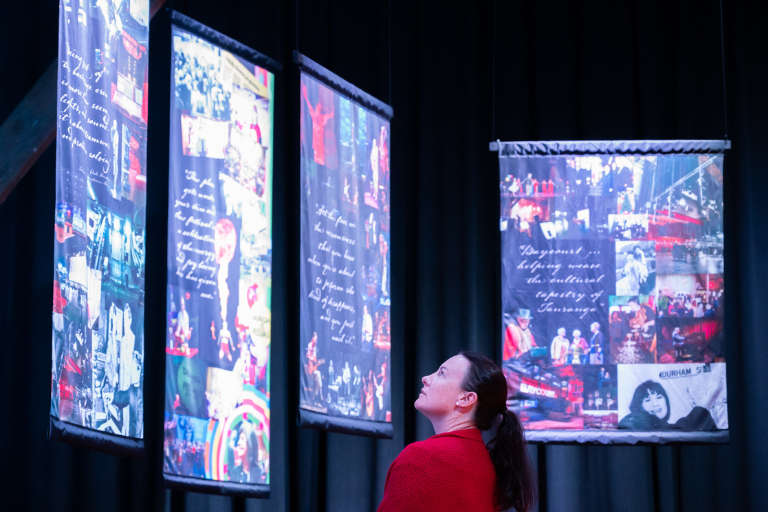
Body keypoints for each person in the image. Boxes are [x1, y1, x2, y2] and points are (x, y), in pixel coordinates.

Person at [377, 351, 537, 512]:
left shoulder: (421, 457)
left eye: (441, 374)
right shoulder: (488, 465)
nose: (425, 378)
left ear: (466, 399)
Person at [618, 380, 717, 430]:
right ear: (640, 406)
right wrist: (700, 409)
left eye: (659, 397)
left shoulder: (664, 427)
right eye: (648, 400)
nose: (655, 404)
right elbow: (676, 434)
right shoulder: (635, 422)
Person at [302, 85, 334, 165]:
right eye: (317, 107)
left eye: (318, 108)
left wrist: (333, 110)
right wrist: (305, 95)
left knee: (320, 159)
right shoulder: (313, 116)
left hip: (320, 145)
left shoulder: (322, 119)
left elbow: (330, 115)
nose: (317, 109)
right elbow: (309, 106)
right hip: (315, 143)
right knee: (315, 157)